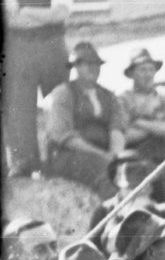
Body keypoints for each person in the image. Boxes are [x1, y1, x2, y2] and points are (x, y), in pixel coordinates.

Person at [4, 0, 72, 177]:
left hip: (53, 50)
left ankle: (59, 157)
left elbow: (61, 14)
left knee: (58, 102)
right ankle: (25, 162)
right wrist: (44, 15)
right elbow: (12, 20)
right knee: (20, 106)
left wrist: (27, 11)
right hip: (21, 52)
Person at [41, 41, 127, 188]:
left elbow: (117, 129)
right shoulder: (64, 93)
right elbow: (62, 135)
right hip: (70, 155)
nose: (93, 68)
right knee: (106, 175)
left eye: (96, 64)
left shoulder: (109, 96)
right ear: (76, 67)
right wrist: (101, 155)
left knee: (137, 171)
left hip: (103, 154)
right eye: (87, 64)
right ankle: (111, 209)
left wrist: (115, 156)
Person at [114, 49, 165, 204]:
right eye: (142, 70)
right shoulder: (122, 98)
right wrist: (158, 126)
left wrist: (139, 122)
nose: (148, 74)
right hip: (135, 155)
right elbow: (125, 135)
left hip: (162, 151)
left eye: (151, 69)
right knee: (159, 182)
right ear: (132, 73)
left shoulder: (164, 95)